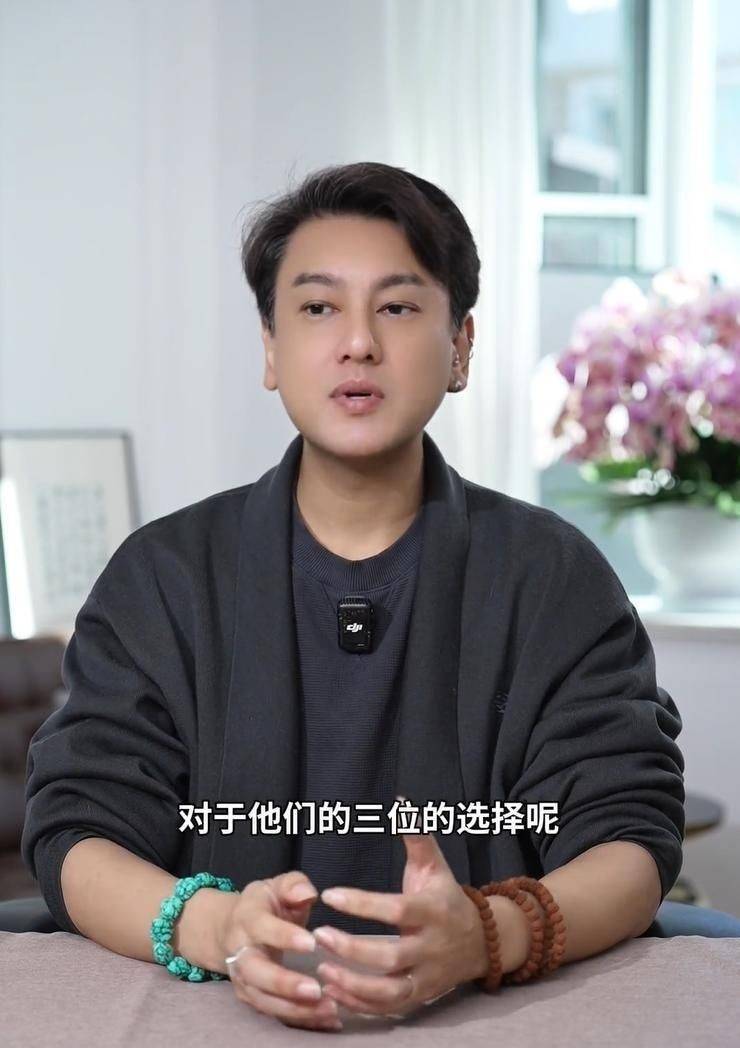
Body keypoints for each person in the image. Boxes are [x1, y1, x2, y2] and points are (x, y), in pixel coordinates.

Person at [21, 161, 685, 1033]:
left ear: (461, 347)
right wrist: (218, 927)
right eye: (318, 308)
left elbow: (630, 832)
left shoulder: (553, 576)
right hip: (212, 1023)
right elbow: (77, 828)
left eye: (399, 307)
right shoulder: (164, 575)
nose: (358, 343)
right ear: (270, 347)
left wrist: (489, 933)